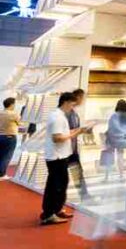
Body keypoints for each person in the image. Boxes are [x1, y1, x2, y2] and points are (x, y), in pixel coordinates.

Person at [41, 92, 87, 225]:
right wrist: (75, 133)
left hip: (60, 156)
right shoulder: (57, 117)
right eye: (72, 104)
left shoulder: (59, 116)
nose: (73, 107)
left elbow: (63, 134)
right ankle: (49, 214)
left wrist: (78, 130)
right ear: (66, 102)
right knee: (55, 186)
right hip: (57, 157)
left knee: (60, 184)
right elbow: (57, 138)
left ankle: (56, 210)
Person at [66, 89, 92, 201]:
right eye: (83, 98)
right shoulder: (68, 113)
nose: (83, 100)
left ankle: (84, 196)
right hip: (66, 150)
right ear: (78, 97)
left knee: (78, 173)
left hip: (72, 149)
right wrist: (81, 130)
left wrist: (83, 130)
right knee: (62, 177)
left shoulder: (73, 113)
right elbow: (67, 131)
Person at [103, 100, 126, 180]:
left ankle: (107, 176)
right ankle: (121, 174)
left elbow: (110, 127)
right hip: (121, 139)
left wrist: (106, 135)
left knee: (109, 156)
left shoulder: (114, 115)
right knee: (120, 156)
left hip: (112, 139)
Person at [0, 97, 21, 179]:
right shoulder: (14, 114)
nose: (15, 106)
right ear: (11, 104)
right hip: (9, 137)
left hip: (0, 136)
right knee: (6, 157)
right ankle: (2, 175)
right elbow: (20, 124)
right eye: (14, 104)